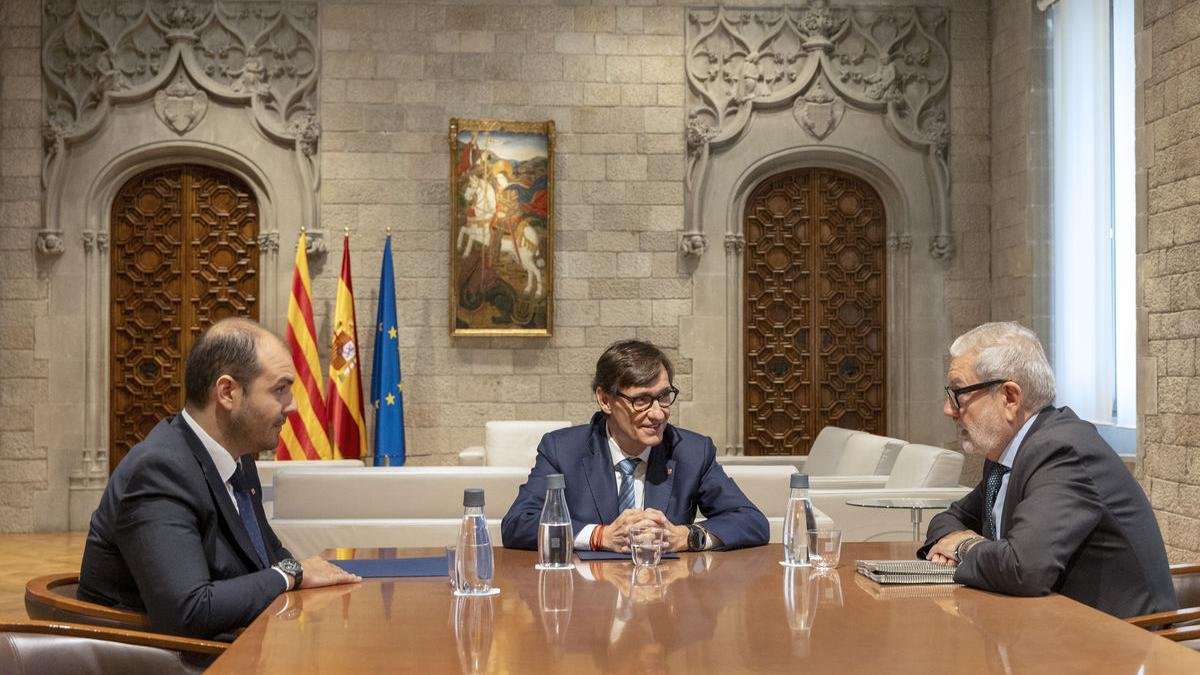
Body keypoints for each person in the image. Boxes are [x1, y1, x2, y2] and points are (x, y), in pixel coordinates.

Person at [78, 318, 360, 639]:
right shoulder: (159, 470)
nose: (292, 406)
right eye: (280, 389)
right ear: (227, 392)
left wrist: (295, 573)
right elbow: (188, 610)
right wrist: (291, 573)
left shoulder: (239, 458)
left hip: (237, 647)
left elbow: (267, 557)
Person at [917, 321, 1175, 618]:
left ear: (1010, 397)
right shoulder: (1008, 454)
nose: (948, 409)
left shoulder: (1061, 451)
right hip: (1055, 627)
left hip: (1125, 644)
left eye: (958, 394)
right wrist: (957, 541)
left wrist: (963, 546)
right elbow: (949, 518)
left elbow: (1023, 568)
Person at [501, 340, 768, 553]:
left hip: (665, 600)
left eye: (664, 397)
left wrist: (687, 536)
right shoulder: (562, 450)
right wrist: (600, 536)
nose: (658, 413)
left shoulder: (691, 452)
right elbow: (518, 523)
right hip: (588, 603)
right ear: (605, 400)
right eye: (641, 400)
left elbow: (751, 521)